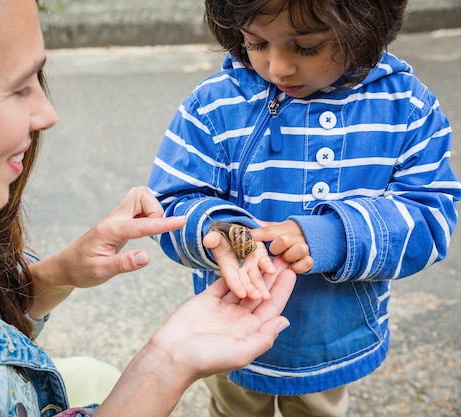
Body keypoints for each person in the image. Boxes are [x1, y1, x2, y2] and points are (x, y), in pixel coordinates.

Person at [0, 0, 298, 416]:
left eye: (39, 79)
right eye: (18, 87)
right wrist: (166, 366)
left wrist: (58, 273)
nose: (47, 114)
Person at [147, 0, 461, 416]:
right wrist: (224, 233)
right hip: (227, 328)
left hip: (333, 335)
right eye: (256, 42)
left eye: (308, 47)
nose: (278, 67)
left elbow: (431, 215)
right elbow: (169, 201)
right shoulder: (214, 106)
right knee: (233, 408)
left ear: (364, 27)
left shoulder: (406, 109)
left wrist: (333, 236)